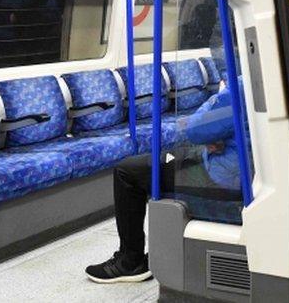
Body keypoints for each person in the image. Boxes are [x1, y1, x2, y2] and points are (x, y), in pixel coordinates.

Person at [84, 83, 245, 283]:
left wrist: (221, 95)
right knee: (163, 161)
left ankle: (130, 260)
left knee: (127, 171)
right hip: (241, 168)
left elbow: (195, 129)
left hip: (223, 175)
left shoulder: (239, 85)